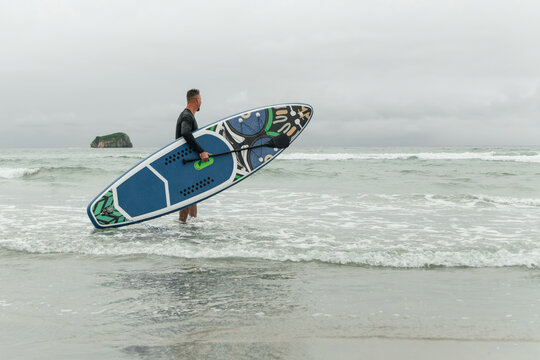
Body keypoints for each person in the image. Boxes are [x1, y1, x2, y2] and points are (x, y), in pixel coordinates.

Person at [176, 89, 210, 223]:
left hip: (188, 162)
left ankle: (189, 225)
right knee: (188, 194)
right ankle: (183, 225)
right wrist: (201, 151)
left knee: (192, 194)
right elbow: (185, 132)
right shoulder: (187, 116)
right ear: (196, 100)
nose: (201, 101)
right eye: (200, 99)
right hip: (185, 162)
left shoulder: (188, 115)